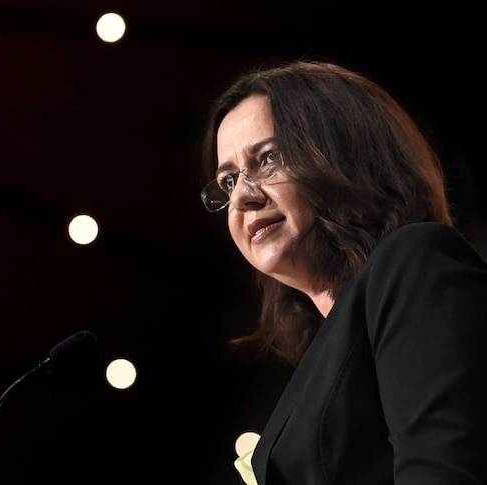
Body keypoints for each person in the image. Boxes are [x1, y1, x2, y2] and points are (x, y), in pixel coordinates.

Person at [198, 59, 487, 484]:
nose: (243, 196)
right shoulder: (324, 347)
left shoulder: (415, 259)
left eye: (269, 157)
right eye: (228, 182)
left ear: (344, 152)